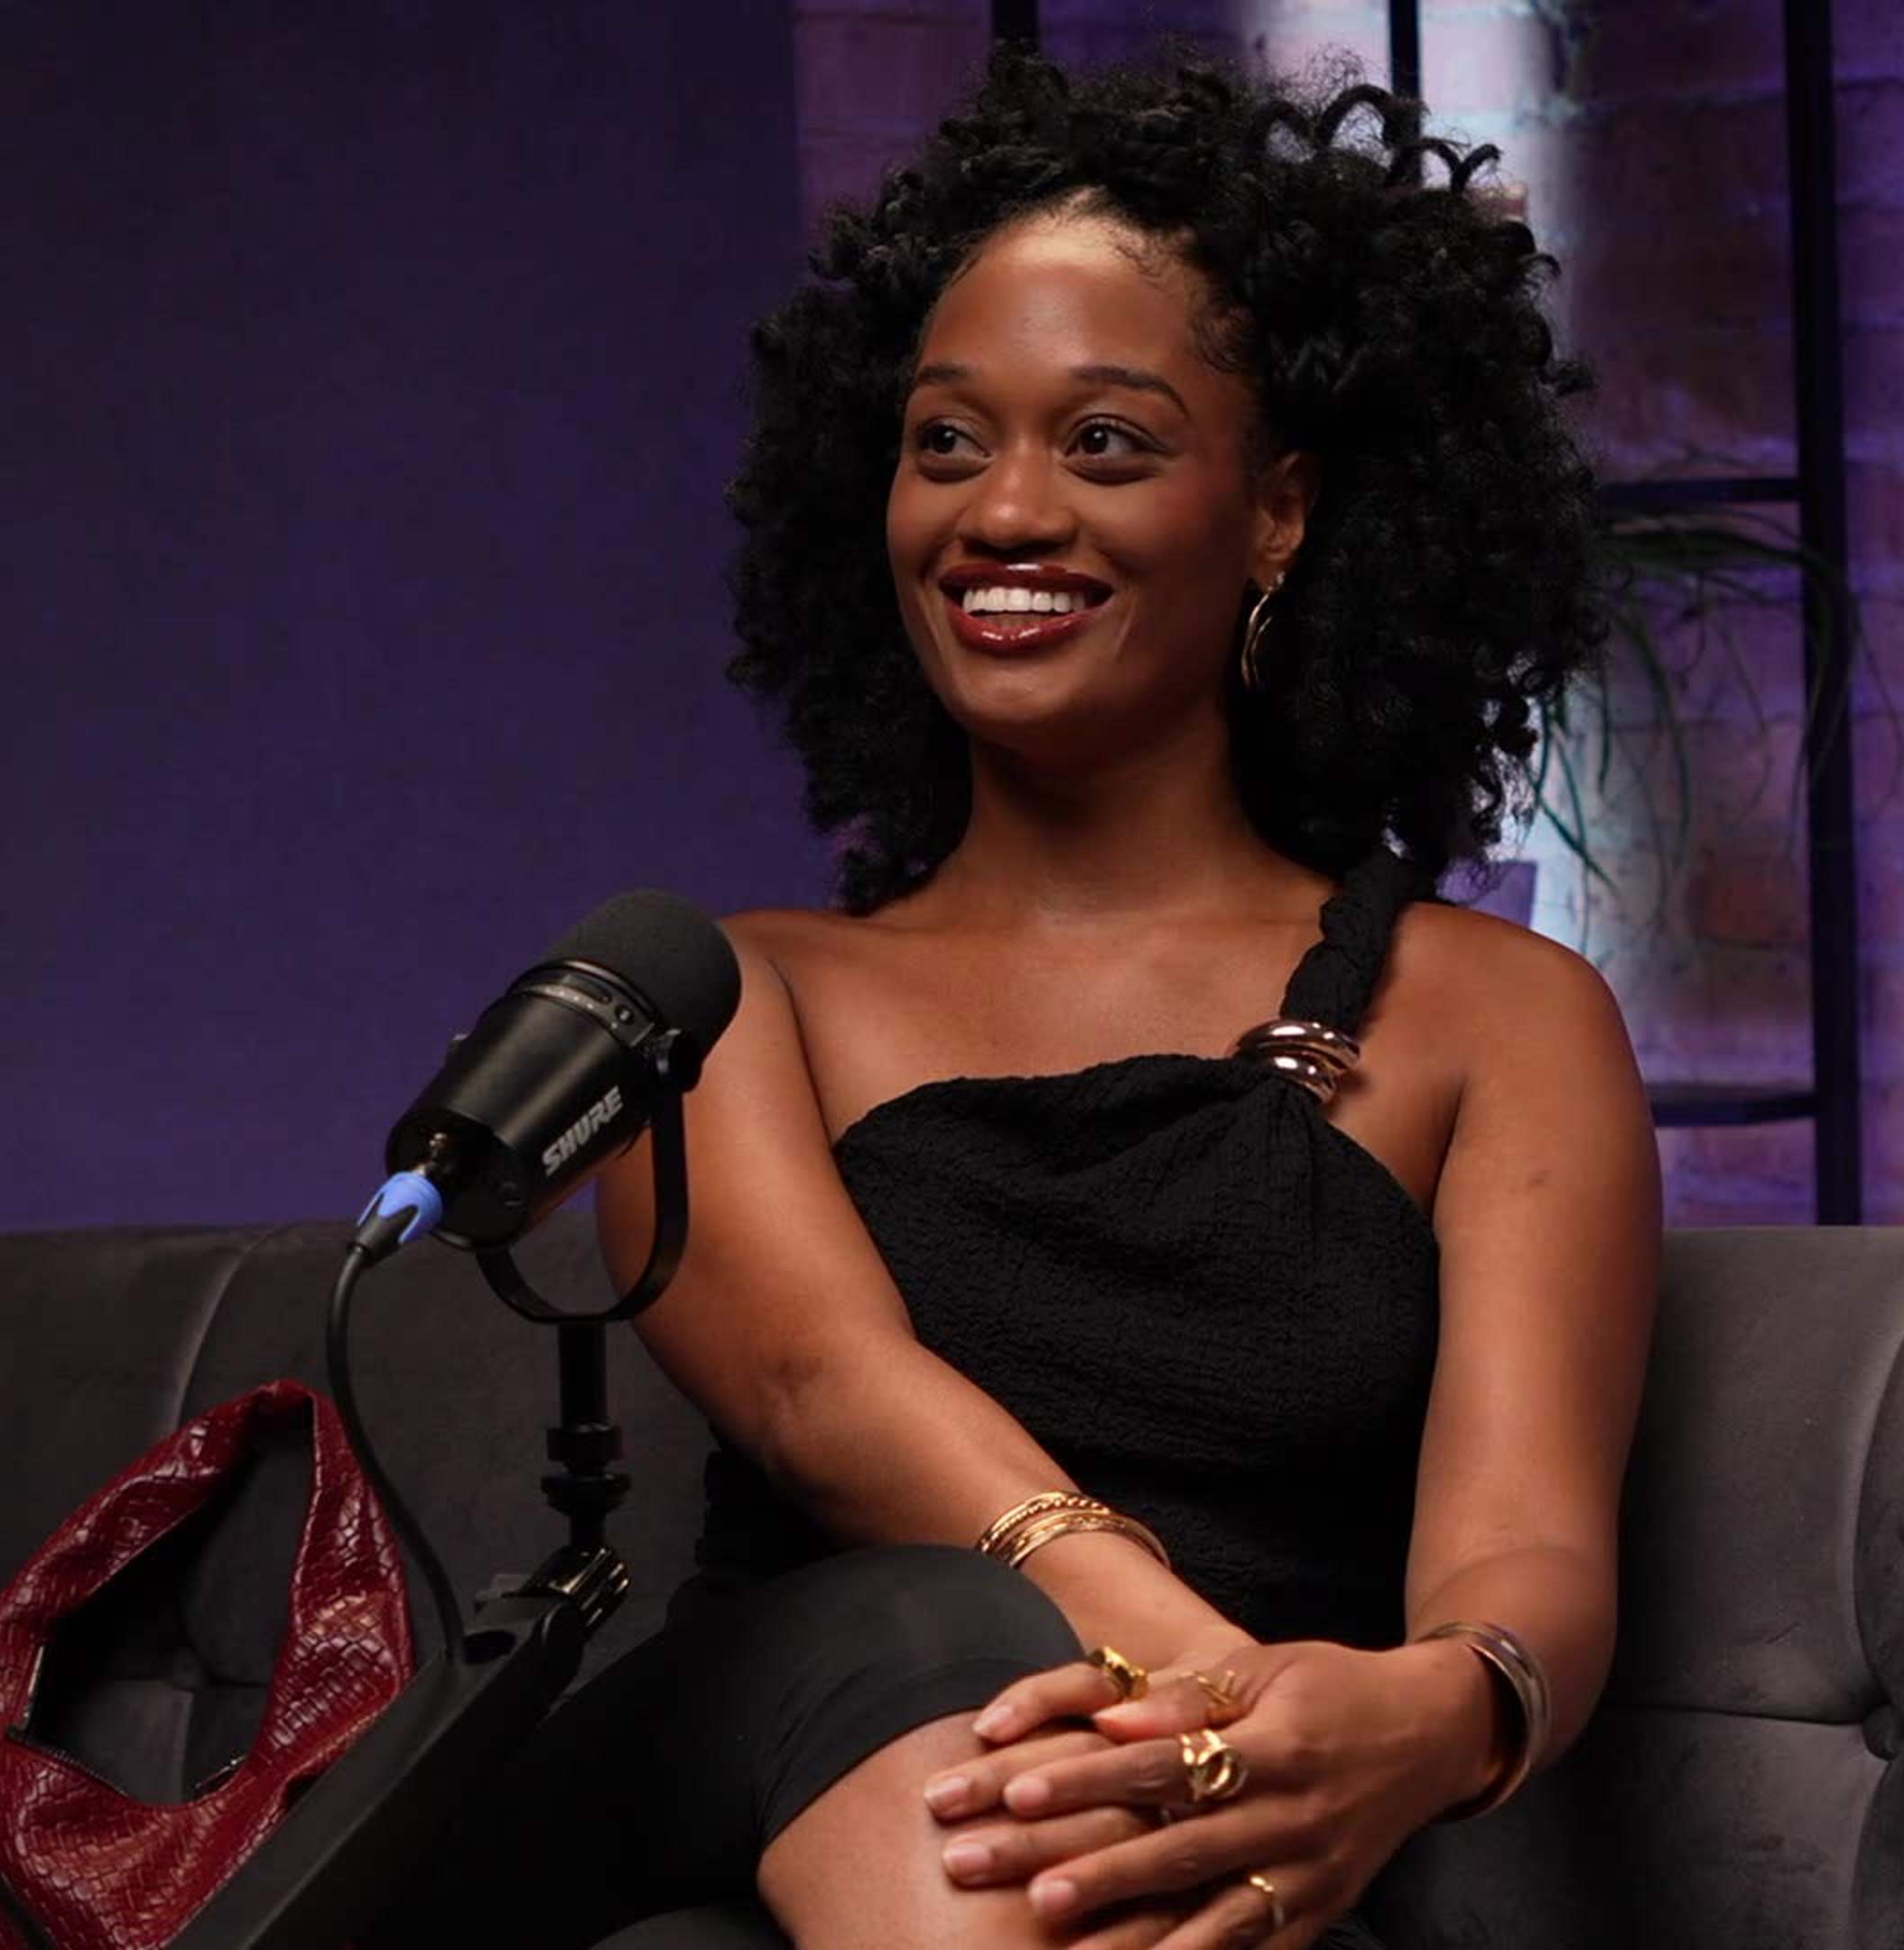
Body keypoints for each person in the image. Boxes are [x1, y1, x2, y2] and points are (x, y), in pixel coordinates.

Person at [408, 46, 1655, 1950]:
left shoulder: (1499, 1019)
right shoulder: (730, 997)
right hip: (758, 1771)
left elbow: (1526, 1550)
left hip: (1201, 1853)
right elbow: (834, 1400)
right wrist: (1215, 1690)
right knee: (951, 1627)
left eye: (1108, 443)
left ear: (1280, 515)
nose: (1001, 512)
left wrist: (1418, 1716)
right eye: (945, 440)